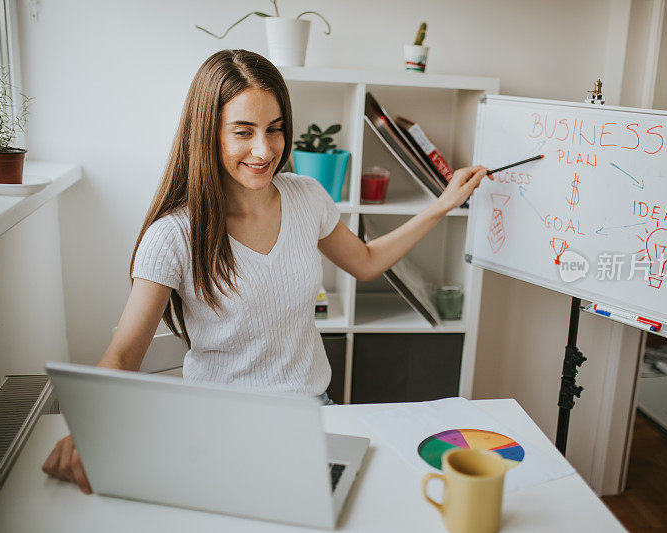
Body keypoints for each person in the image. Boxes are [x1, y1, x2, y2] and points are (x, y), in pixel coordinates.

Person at [42, 49, 490, 494]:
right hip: (217, 429)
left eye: (274, 130)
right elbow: (124, 352)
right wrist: (88, 426)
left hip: (310, 416)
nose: (264, 150)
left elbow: (366, 262)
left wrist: (443, 205)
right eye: (243, 132)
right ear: (208, 134)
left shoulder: (308, 196)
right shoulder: (174, 234)